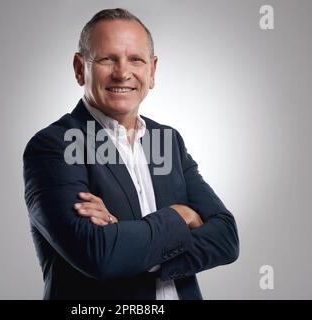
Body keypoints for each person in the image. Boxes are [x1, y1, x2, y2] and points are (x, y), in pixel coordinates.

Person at [23, 8, 239, 300]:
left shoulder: (167, 141)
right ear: (79, 68)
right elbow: (100, 255)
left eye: (135, 59)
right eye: (107, 58)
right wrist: (180, 216)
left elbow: (226, 238)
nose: (123, 72)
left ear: (152, 71)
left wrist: (124, 235)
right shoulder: (55, 146)